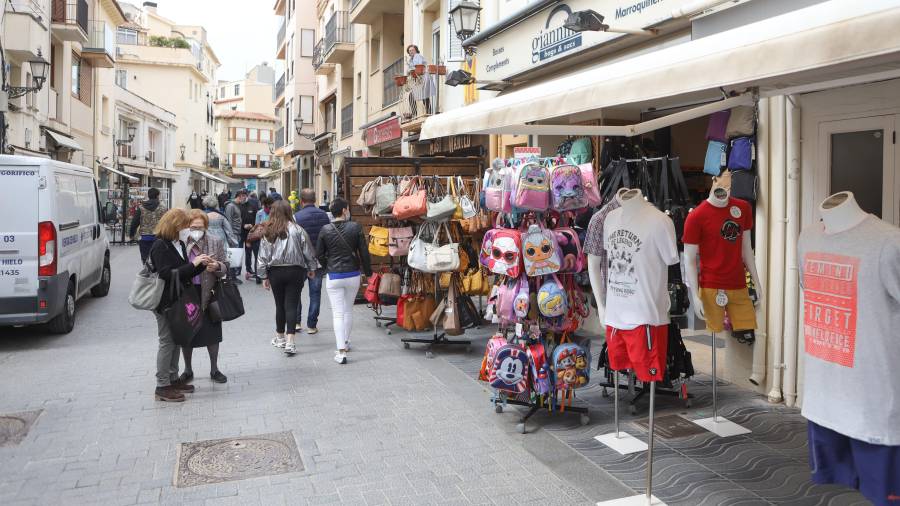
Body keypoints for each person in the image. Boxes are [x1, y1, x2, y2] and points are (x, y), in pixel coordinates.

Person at [147, 208, 212, 402]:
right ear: (175, 226)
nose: (188, 230)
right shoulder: (160, 245)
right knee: (167, 341)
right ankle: (162, 385)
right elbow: (167, 274)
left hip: (178, 298)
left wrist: (200, 265)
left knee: (176, 339)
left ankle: (173, 378)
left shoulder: (179, 244)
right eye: (185, 226)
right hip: (164, 301)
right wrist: (193, 265)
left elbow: (183, 273)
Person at [257, 200, 318, 356]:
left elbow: (262, 256)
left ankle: (280, 337)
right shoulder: (298, 229)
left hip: (275, 272)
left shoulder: (267, 231)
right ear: (289, 212)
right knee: (292, 304)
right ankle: (290, 342)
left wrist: (263, 275)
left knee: (279, 305)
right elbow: (308, 251)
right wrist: (312, 268)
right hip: (295, 271)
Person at [316, 198, 372, 365]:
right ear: (345, 210)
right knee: (348, 310)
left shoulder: (325, 229)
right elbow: (364, 253)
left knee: (338, 313)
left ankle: (341, 352)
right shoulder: (355, 227)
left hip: (334, 276)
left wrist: (327, 267)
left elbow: (319, 254)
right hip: (353, 274)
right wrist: (368, 273)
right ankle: (345, 343)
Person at [178, 209, 229, 385]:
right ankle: (187, 369)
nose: (196, 230)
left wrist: (217, 266)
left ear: (206, 226)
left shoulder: (215, 241)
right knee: (187, 332)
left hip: (209, 291)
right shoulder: (181, 242)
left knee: (212, 332)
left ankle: (214, 369)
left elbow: (225, 266)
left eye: (200, 226)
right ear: (187, 227)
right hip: (187, 292)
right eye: (193, 227)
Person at [293, 189, 330, 334]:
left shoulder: (296, 217)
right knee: (315, 293)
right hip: (318, 261)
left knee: (296, 292)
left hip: (300, 261)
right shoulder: (324, 216)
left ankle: (296, 322)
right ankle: (312, 325)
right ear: (315, 200)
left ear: (301, 201)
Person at [129, 187, 168, 263]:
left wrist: (131, 235)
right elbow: (168, 223)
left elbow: (134, 223)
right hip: (159, 238)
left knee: (146, 260)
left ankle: (147, 271)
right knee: (159, 260)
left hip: (145, 238)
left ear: (148, 196)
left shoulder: (141, 208)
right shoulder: (163, 208)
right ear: (157, 196)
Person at [224, 190, 248, 282]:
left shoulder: (236, 205)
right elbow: (228, 221)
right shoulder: (230, 206)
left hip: (236, 233)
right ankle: (231, 277)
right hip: (233, 234)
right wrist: (231, 236)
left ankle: (232, 276)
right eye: (244, 197)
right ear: (240, 196)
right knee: (232, 255)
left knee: (234, 255)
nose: (245, 199)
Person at [239, 191, 260, 280]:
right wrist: (243, 225)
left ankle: (249, 269)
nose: (242, 197)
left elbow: (256, 217)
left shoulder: (252, 205)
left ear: (247, 196)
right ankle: (237, 269)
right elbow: (236, 219)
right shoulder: (237, 206)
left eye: (244, 196)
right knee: (239, 251)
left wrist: (253, 225)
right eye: (241, 196)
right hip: (240, 231)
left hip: (250, 232)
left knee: (249, 251)